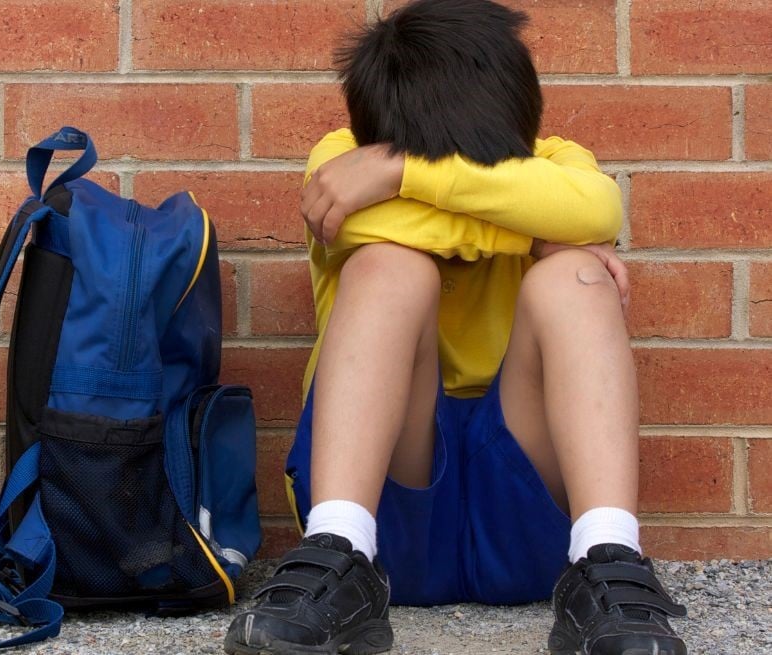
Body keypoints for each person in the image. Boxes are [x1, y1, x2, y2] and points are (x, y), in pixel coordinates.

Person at [223, 1, 688, 654]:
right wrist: (533, 231)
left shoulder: (556, 161)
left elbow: (598, 208)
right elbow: (351, 222)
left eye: (484, 174)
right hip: (386, 513)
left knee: (578, 278)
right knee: (388, 265)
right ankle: (337, 544)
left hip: (531, 513)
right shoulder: (340, 160)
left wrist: (404, 175)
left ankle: (606, 556)